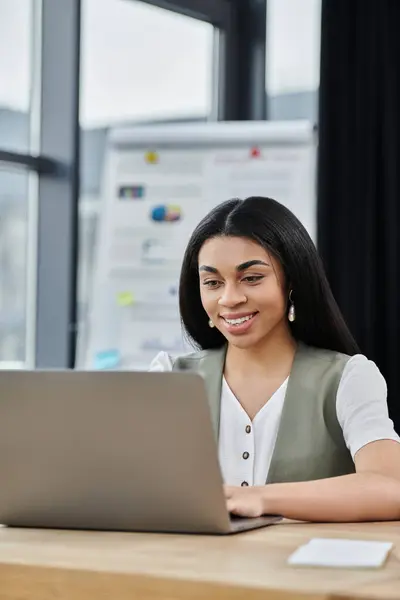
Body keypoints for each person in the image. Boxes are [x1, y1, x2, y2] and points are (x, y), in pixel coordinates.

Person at [150, 196, 400, 523]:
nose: (230, 298)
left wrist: (258, 498)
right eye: (212, 283)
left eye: (252, 278)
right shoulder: (169, 377)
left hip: (306, 571)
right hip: (193, 568)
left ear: (292, 282)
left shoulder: (348, 378)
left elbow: (391, 486)